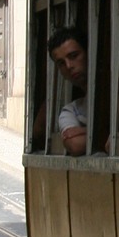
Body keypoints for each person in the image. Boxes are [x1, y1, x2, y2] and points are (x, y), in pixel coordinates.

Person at [48, 25, 88, 156]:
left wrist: (85, 131)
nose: (69, 66)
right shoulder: (71, 111)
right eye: (61, 63)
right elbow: (75, 144)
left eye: (74, 56)